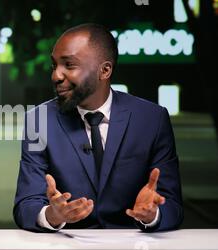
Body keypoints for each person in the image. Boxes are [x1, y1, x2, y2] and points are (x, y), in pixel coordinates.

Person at [14, 23, 183, 232]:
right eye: (54, 65)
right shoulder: (38, 120)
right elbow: (26, 205)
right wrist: (52, 215)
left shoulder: (152, 119)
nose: (56, 76)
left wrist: (151, 214)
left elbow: (173, 206)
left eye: (69, 65)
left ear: (104, 70)